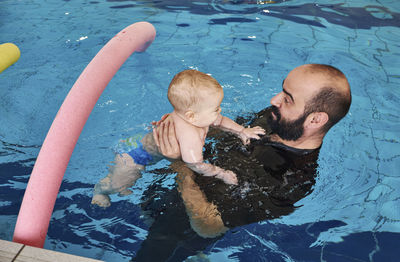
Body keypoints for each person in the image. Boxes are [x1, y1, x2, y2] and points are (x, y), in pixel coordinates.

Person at [131, 64, 352, 261]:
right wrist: (184, 127)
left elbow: (208, 227)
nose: (274, 100)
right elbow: (219, 132)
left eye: (287, 98)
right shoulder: (275, 118)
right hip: (158, 195)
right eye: (281, 91)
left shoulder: (292, 180)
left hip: (177, 232)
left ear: (316, 119)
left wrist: (180, 164)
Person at [91, 69, 265, 207]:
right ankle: (100, 190)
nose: (219, 111)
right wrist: (222, 173)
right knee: (119, 184)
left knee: (126, 184)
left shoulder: (196, 116)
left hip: (137, 142)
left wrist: (242, 131)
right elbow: (195, 164)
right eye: (215, 109)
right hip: (134, 156)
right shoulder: (190, 134)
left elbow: (221, 121)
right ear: (191, 116)